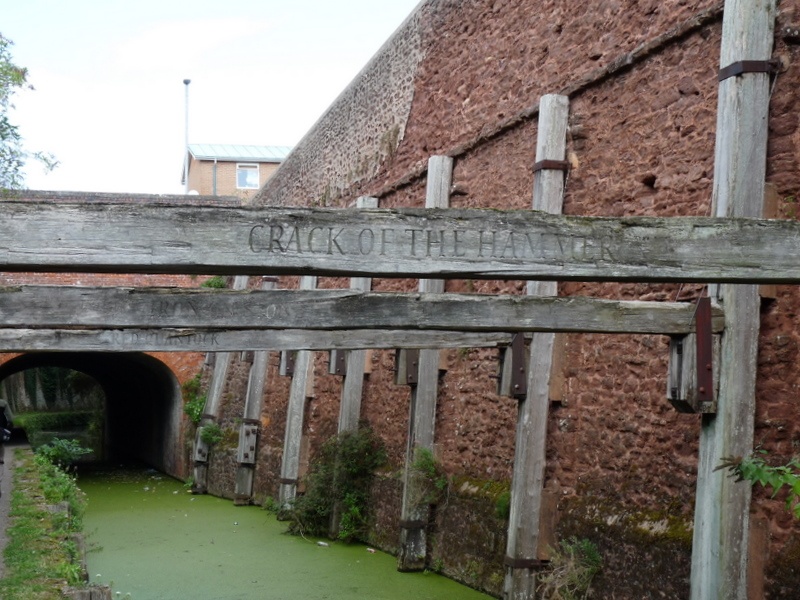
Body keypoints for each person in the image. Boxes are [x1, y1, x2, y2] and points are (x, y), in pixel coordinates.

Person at [0, 398, 13, 465]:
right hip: (1, 423)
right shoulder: (3, 403)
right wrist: (10, 422)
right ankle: (1, 458)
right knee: (1, 442)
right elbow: (9, 414)